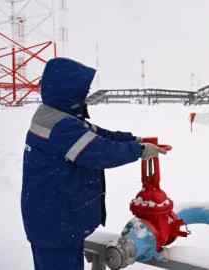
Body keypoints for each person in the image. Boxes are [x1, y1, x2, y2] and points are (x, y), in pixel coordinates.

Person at [21, 57, 167, 270]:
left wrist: (133, 140)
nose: (85, 96)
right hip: (55, 224)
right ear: (67, 90)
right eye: (82, 91)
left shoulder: (56, 116)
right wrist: (139, 150)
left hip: (53, 220)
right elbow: (99, 152)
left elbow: (98, 135)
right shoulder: (61, 127)